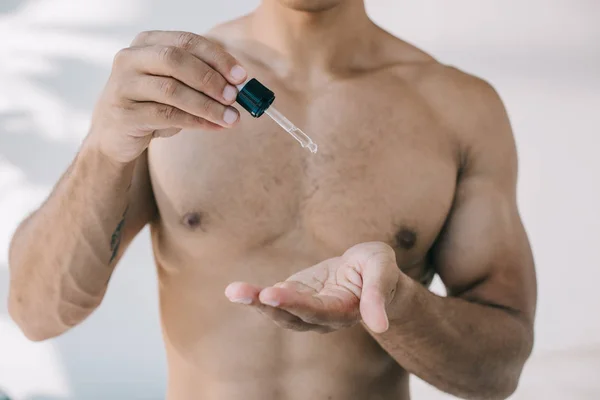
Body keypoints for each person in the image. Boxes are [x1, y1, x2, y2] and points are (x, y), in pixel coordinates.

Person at [7, 0, 537, 399]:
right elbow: (35, 313)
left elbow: (498, 371)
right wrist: (103, 147)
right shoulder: (172, 89)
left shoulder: (460, 109)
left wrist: (395, 301)